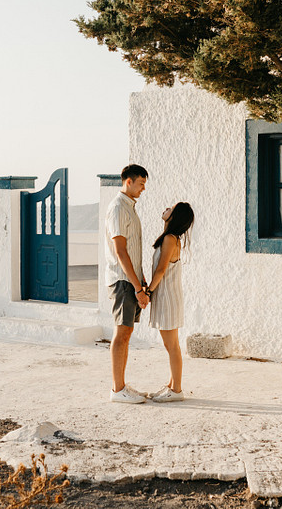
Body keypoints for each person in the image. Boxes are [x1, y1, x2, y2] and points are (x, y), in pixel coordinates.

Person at [106, 164, 149, 403]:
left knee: (127, 332)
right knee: (122, 333)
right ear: (128, 181)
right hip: (122, 280)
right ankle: (117, 390)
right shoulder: (118, 208)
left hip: (130, 279)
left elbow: (132, 250)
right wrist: (137, 287)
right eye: (141, 183)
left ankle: (121, 385)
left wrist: (140, 280)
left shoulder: (129, 208)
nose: (143, 188)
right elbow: (120, 251)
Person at [145, 202, 195, 403]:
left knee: (171, 345)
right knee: (170, 344)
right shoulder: (171, 238)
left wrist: (148, 292)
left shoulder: (169, 239)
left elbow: (161, 270)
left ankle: (176, 389)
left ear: (174, 216)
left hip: (167, 296)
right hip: (167, 296)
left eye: (171, 208)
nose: (166, 208)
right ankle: (172, 385)